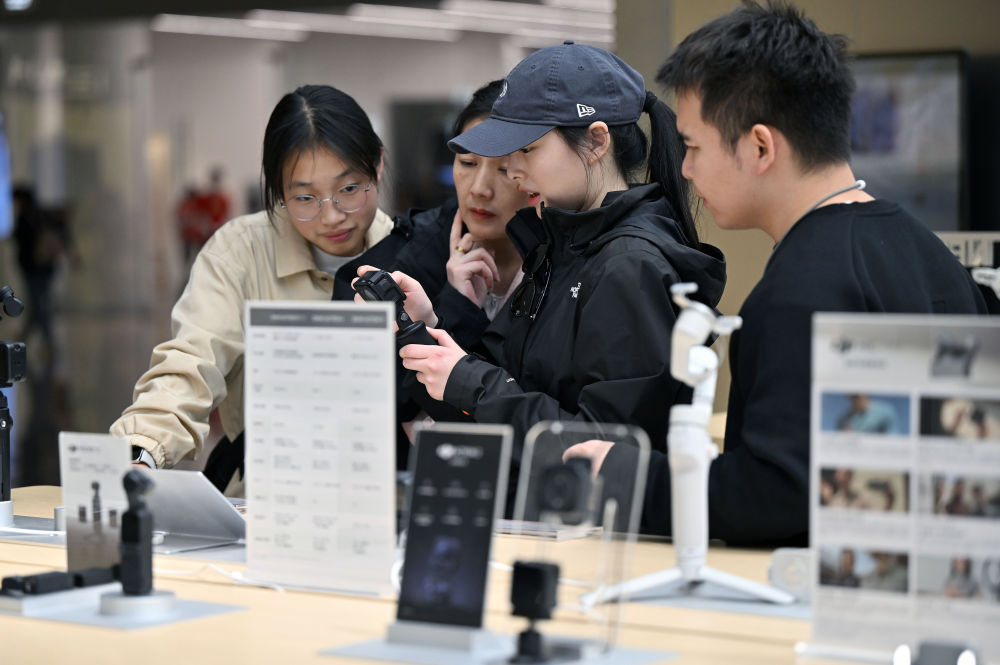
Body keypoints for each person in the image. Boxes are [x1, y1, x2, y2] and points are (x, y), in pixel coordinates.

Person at [564, 1, 987, 546]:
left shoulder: (802, 288)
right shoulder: (927, 251)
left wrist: (627, 476)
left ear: (760, 146)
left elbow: (777, 496)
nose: (685, 168)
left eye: (693, 147)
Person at [368, 42, 726, 471]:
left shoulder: (630, 265)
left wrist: (470, 381)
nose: (513, 170)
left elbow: (606, 450)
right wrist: (423, 331)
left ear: (596, 142)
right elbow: (502, 392)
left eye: (527, 149)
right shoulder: (558, 247)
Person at [110, 85, 431, 494]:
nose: (331, 216)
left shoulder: (417, 253)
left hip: (388, 500)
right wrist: (142, 449)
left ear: (378, 165)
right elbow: (191, 363)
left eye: (349, 189)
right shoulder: (239, 253)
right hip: (268, 500)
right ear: (279, 190)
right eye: (305, 197)